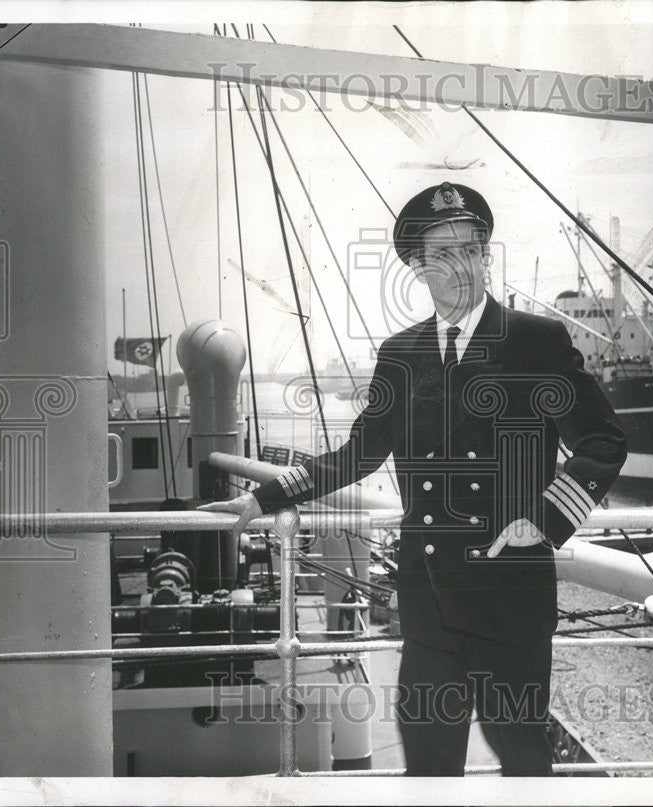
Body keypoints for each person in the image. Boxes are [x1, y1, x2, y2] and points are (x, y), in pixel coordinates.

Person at [199, 182, 627, 776]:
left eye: (471, 249)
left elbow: (603, 441)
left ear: (486, 256)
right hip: (428, 606)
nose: (462, 266)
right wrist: (264, 497)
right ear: (419, 270)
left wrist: (548, 520)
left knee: (525, 765)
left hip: (511, 599)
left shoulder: (536, 342)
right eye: (443, 254)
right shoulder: (402, 354)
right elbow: (359, 455)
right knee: (428, 768)